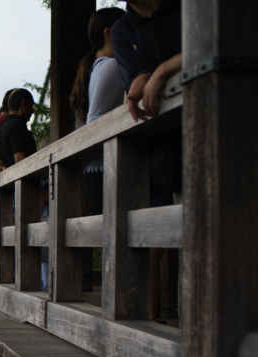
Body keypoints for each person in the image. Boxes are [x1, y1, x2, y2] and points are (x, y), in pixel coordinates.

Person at [111, 0, 181, 321]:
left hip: (224, 118)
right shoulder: (123, 30)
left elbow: (218, 40)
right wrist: (144, 77)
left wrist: (163, 70)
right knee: (160, 236)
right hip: (163, 146)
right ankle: (151, 321)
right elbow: (136, 85)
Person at [69, 7, 127, 216]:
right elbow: (94, 121)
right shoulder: (112, 65)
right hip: (106, 169)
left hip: (98, 170)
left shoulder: (98, 66)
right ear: (109, 33)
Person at [0, 89, 49, 291]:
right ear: (24, 104)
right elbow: (21, 162)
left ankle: (25, 284)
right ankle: (44, 288)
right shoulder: (18, 127)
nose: (33, 110)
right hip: (31, 191)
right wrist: (38, 195)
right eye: (32, 105)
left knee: (24, 241)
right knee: (42, 240)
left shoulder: (2, 129)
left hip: (16, 194)